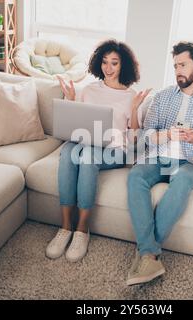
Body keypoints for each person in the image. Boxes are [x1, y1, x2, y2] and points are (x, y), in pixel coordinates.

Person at [126, 41, 193, 285]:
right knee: (136, 175)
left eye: (183, 65)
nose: (178, 70)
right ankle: (150, 252)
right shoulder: (163, 97)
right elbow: (146, 136)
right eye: (175, 66)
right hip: (160, 156)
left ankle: (146, 253)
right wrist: (166, 135)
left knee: (183, 180)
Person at [46, 39, 151, 262]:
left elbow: (134, 140)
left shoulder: (132, 96)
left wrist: (134, 109)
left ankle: (82, 229)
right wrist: (72, 100)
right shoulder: (89, 89)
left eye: (114, 63)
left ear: (124, 66)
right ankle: (65, 226)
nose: (108, 68)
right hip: (85, 142)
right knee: (67, 153)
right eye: (104, 62)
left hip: (114, 150)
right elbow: (74, 124)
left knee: (87, 158)